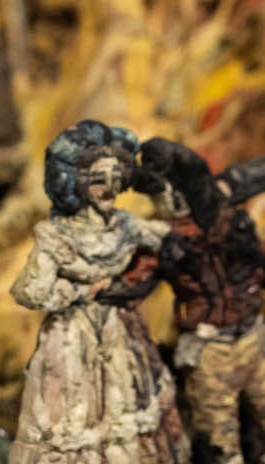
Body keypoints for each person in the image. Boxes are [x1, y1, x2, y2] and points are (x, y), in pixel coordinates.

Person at [11, 120, 188, 464]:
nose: (108, 189)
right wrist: (83, 290)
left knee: (127, 414)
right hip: (72, 338)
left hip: (121, 331)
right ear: (76, 183)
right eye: (97, 180)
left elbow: (169, 239)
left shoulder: (125, 226)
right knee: (73, 424)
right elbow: (29, 291)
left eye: (115, 178)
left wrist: (142, 277)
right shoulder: (59, 234)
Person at [100, 137, 265, 464]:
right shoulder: (164, 239)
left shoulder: (227, 219)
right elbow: (133, 284)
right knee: (220, 445)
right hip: (209, 352)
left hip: (254, 337)